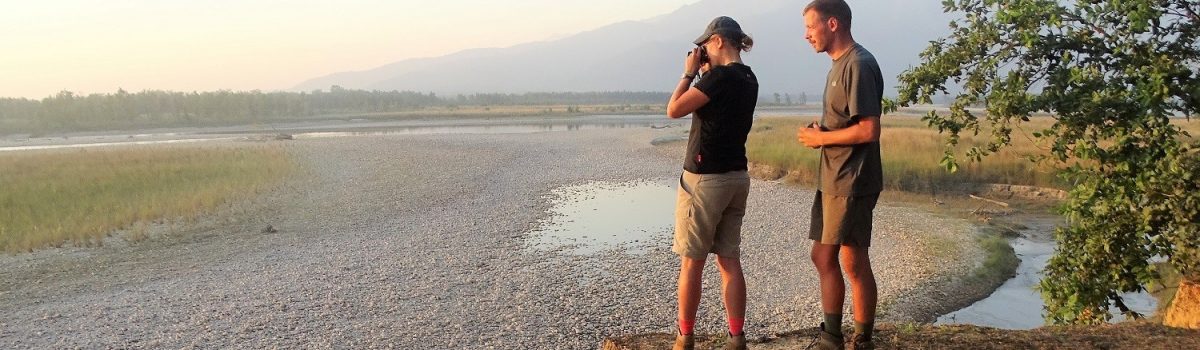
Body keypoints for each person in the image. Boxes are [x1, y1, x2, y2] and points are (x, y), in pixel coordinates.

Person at [665, 16, 759, 350]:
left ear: (718, 40)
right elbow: (717, 106)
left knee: (692, 262)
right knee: (729, 261)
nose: (702, 51)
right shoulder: (748, 78)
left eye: (705, 45)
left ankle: (685, 337)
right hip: (737, 178)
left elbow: (674, 109)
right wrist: (707, 70)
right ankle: (736, 337)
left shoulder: (717, 79)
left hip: (705, 181)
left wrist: (689, 72)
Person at [795, 1, 884, 349]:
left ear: (832, 24)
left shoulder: (858, 65)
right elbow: (847, 122)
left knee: (851, 259)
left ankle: (854, 339)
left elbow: (868, 130)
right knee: (833, 257)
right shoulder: (839, 65)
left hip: (852, 179)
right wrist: (824, 132)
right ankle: (837, 335)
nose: (806, 35)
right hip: (835, 178)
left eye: (810, 27)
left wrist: (821, 138)